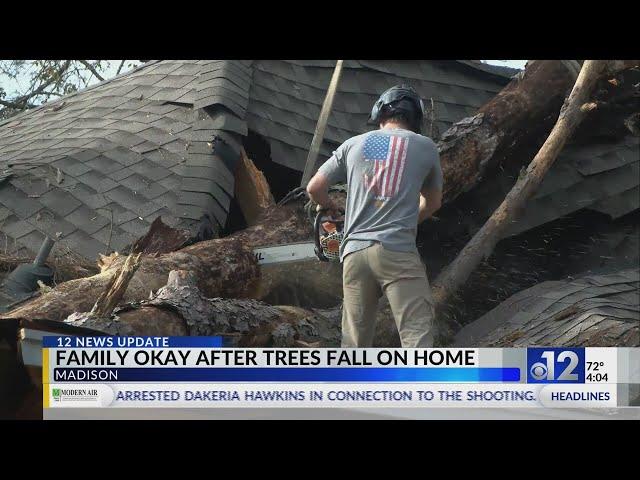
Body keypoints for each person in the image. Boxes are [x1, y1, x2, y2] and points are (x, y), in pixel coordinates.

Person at [306, 85, 443, 348]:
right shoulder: (425, 147)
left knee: (354, 346)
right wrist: (405, 222)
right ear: (415, 117)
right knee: (417, 337)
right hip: (397, 251)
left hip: (354, 254)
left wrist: (329, 206)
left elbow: (315, 188)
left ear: (379, 112)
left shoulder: (354, 144)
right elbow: (433, 202)